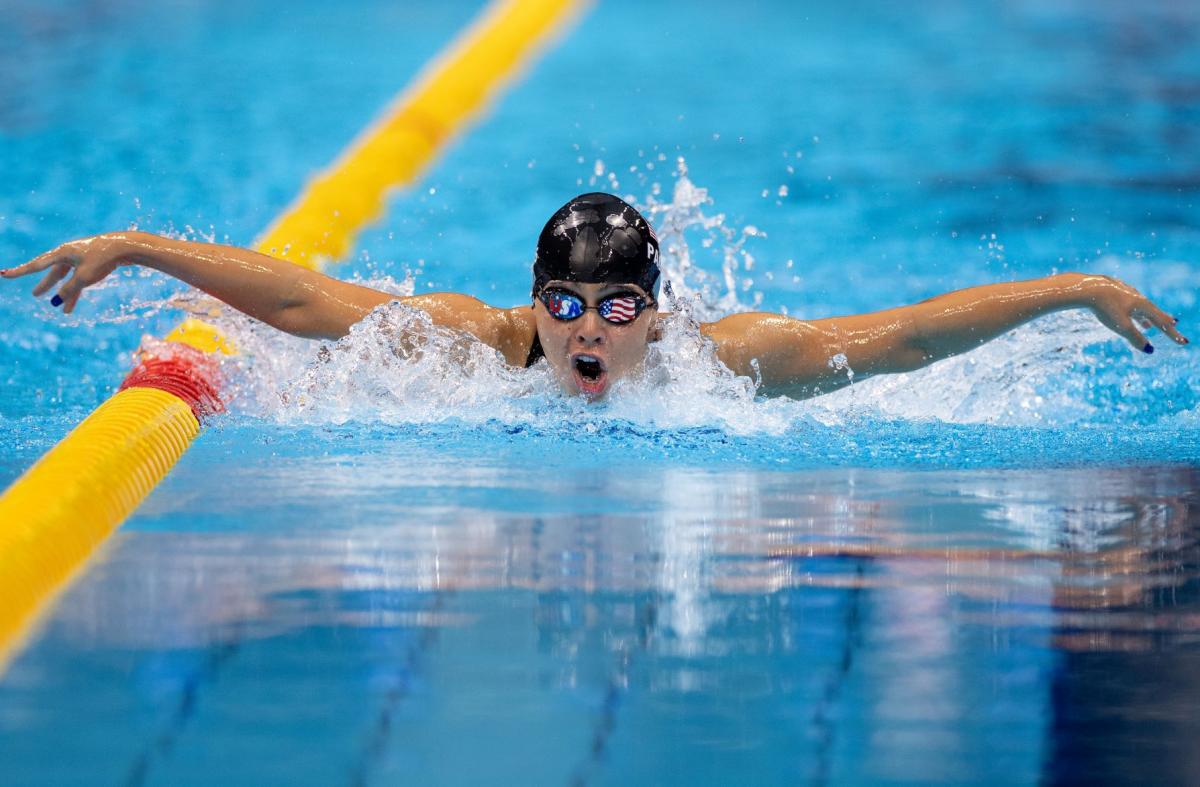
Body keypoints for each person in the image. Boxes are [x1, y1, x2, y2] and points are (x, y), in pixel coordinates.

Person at [1, 192, 1188, 400]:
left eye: (619, 309)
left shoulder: (720, 367)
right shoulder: (481, 348)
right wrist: (138, 247)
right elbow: (311, 305)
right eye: (568, 307)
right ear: (536, 300)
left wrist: (1074, 289)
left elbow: (909, 338)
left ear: (659, 312)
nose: (589, 331)